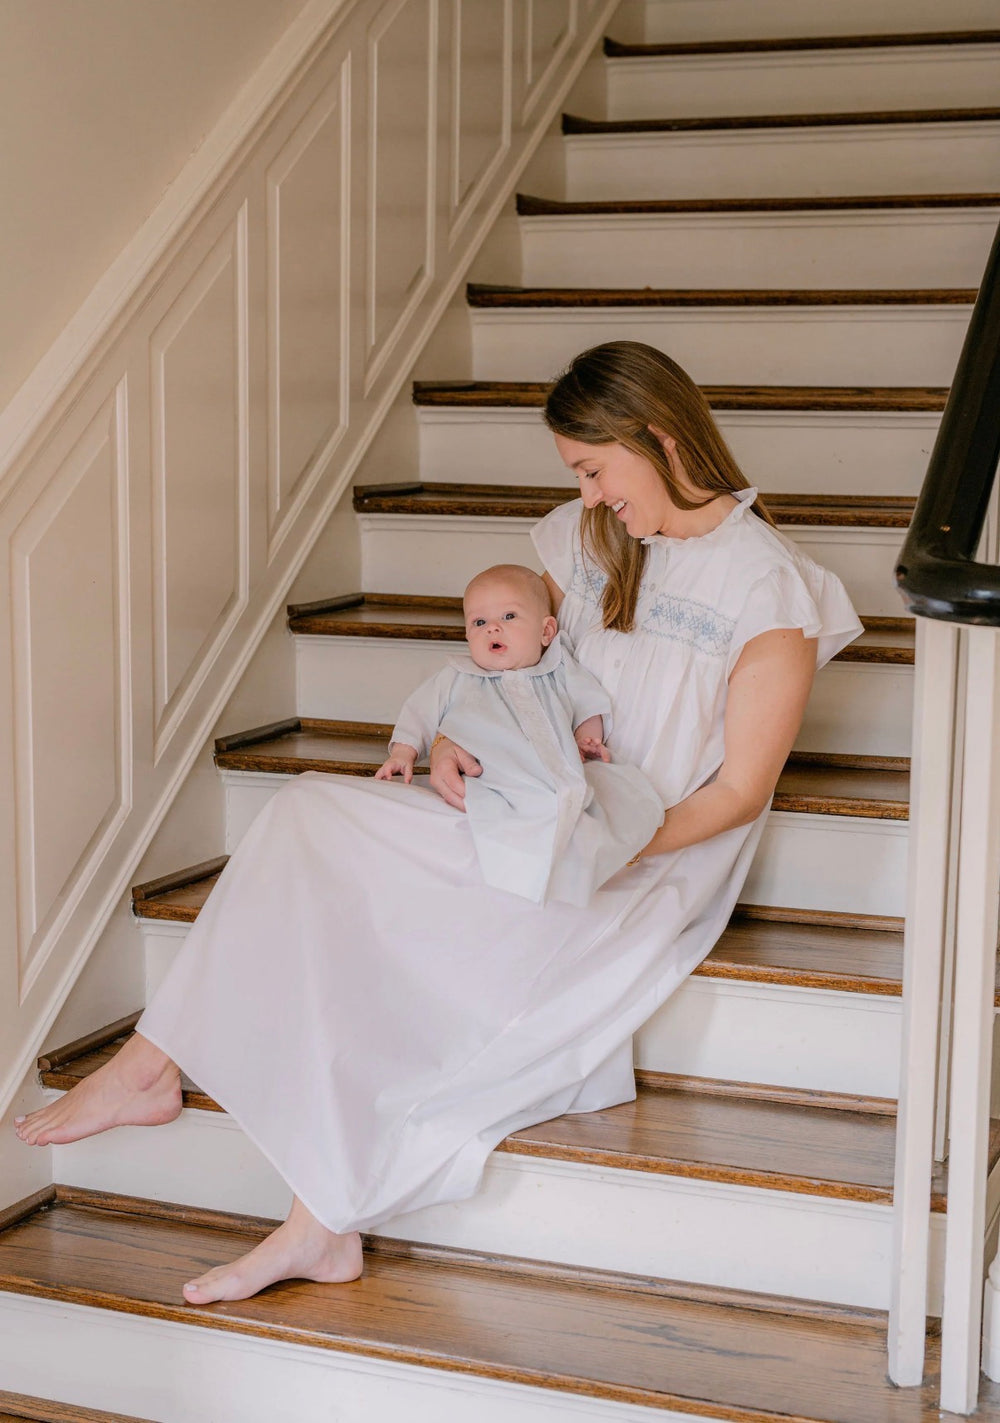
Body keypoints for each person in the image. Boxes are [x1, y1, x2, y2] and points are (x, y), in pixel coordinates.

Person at [13, 341, 863, 1307]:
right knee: (303, 815)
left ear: (657, 438)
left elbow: (739, 792)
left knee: (396, 956)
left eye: (593, 469)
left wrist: (595, 844)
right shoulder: (589, 542)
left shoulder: (771, 588)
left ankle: (316, 1223)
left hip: (632, 862)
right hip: (522, 818)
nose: (586, 495)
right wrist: (461, 735)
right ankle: (151, 1065)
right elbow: (513, 674)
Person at [375, 562, 664, 906]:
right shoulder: (457, 677)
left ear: (546, 632)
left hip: (557, 770)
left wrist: (588, 737)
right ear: (467, 635)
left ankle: (569, 871)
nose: (492, 628)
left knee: (588, 806)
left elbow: (588, 701)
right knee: (509, 820)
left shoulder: (558, 669)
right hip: (492, 777)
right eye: (479, 622)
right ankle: (520, 881)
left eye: (509, 617)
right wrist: (403, 753)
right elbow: (419, 713)